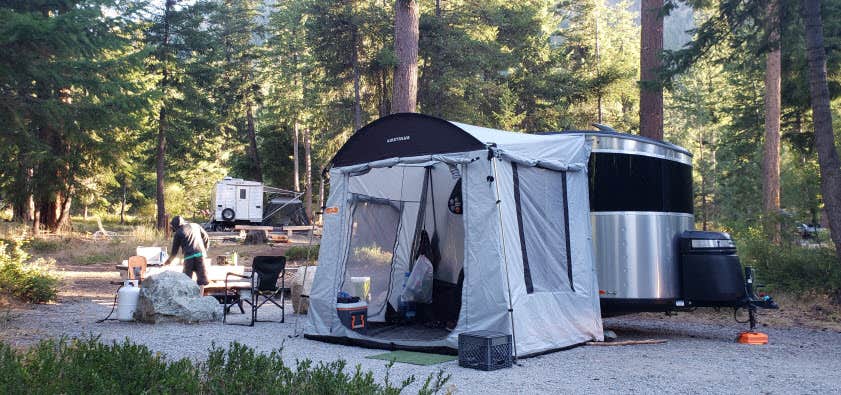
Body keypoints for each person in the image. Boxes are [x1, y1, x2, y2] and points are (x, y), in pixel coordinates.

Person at [164, 216, 210, 292]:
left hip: (189, 258)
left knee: (186, 280)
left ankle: (188, 299)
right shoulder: (195, 225)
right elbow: (206, 237)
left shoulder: (178, 233)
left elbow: (174, 252)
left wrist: (168, 262)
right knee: (202, 281)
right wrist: (205, 249)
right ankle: (200, 299)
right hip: (200, 255)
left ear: (176, 226)